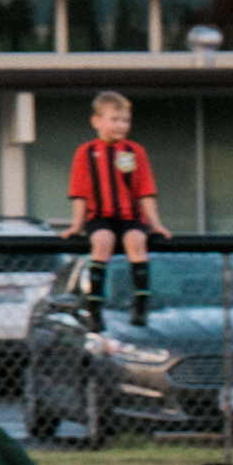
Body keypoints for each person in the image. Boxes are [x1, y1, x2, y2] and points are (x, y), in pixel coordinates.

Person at [64, 90, 171, 329]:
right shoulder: (86, 152)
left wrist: (155, 223)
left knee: (135, 241)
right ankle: (94, 309)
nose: (122, 125)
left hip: (130, 215)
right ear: (97, 122)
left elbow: (144, 190)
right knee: (101, 242)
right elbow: (80, 192)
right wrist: (76, 224)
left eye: (125, 120)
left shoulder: (134, 151)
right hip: (100, 215)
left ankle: (141, 304)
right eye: (115, 120)